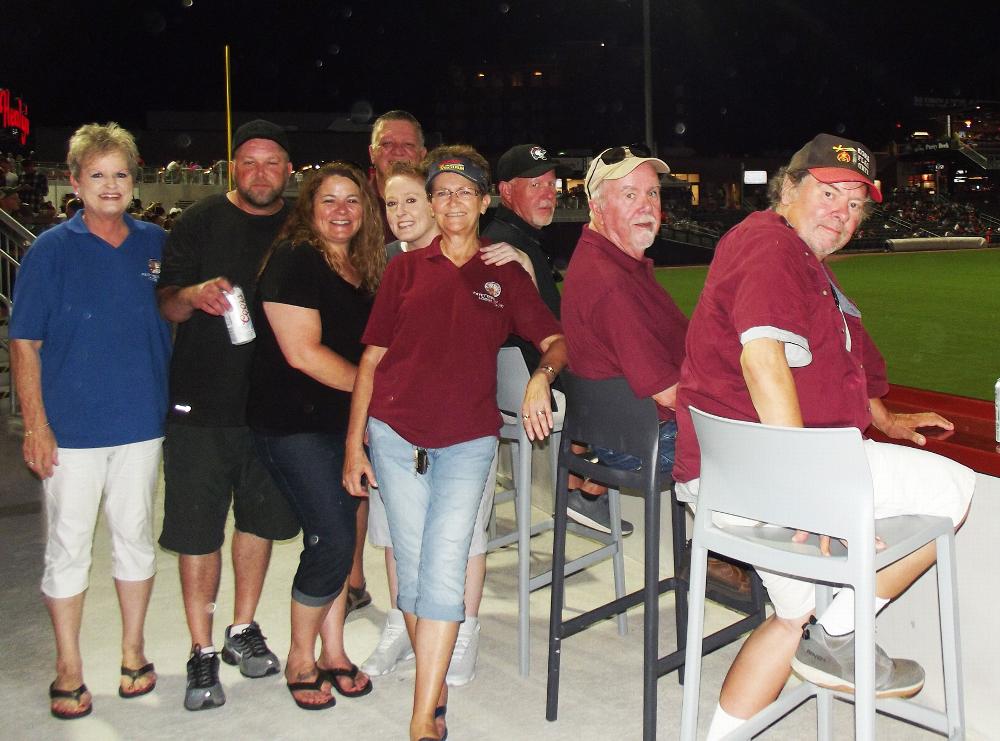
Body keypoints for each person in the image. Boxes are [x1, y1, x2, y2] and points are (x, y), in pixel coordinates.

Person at [672, 133, 977, 740]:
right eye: (828, 192)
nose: (843, 211)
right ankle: (839, 635)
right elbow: (763, 359)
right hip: (771, 476)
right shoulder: (769, 247)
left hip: (730, 474)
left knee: (793, 614)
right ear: (788, 189)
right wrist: (801, 489)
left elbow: (840, 363)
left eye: (856, 203)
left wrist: (884, 420)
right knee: (955, 489)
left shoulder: (797, 261)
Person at [344, 145, 566, 741]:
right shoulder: (404, 270)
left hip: (467, 441)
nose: (452, 202)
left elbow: (555, 340)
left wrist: (541, 380)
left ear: (483, 201)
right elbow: (372, 359)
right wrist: (353, 447)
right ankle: (432, 692)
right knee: (413, 572)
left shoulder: (504, 273)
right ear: (433, 203)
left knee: (441, 568)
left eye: (464, 192)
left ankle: (421, 716)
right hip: (393, 433)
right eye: (441, 192)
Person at [9, 122, 172, 720]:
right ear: (74, 181)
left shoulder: (156, 244)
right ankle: (69, 665)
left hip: (140, 423)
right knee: (68, 546)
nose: (110, 185)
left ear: (136, 179)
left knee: (133, 539)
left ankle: (133, 652)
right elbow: (24, 342)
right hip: (71, 431)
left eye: (120, 174)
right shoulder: (50, 251)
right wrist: (37, 425)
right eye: (97, 174)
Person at [363, 160, 534, 685]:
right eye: (393, 204)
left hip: (462, 426)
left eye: (414, 200)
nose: (403, 212)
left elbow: (537, 323)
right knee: (397, 536)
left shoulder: (493, 263)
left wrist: (521, 259)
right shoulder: (395, 262)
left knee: (460, 540)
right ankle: (404, 622)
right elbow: (377, 353)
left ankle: (462, 630)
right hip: (397, 424)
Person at [157, 119, 300, 711]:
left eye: (272, 162)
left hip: (271, 407)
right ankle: (200, 648)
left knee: (259, 522)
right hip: (200, 405)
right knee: (197, 528)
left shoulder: (302, 226)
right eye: (249, 162)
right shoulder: (199, 220)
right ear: (232, 168)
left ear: (288, 169)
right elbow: (166, 302)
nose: (261, 173)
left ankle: (242, 627)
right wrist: (192, 296)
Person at [248, 162, 380, 709]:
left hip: (341, 425)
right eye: (329, 200)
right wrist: (378, 395)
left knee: (335, 534)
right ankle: (301, 656)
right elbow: (303, 354)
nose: (342, 211)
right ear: (310, 207)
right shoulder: (294, 259)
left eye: (352, 200)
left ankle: (334, 651)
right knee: (334, 538)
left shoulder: (361, 267)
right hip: (293, 423)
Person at [484, 143, 636, 536]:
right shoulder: (509, 246)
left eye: (552, 184)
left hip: (514, 383)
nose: (548, 193)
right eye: (534, 184)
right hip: (537, 383)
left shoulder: (505, 237)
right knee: (641, 385)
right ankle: (583, 490)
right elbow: (552, 334)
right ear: (505, 191)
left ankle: (581, 486)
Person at [561, 144, 686, 498]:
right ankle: (725, 548)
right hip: (642, 439)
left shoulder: (617, 263)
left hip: (623, 431)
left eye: (652, 193)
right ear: (597, 207)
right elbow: (670, 393)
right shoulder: (610, 282)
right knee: (766, 436)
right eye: (630, 194)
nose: (646, 205)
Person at [368, 110, 427, 243]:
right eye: (387, 144)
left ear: (422, 155)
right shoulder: (353, 205)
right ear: (372, 153)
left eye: (408, 145)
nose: (398, 151)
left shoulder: (439, 203)